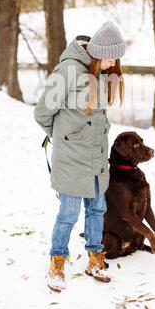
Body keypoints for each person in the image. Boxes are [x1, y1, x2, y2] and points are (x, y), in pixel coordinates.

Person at [34, 21, 126, 291]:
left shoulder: (101, 72)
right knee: (69, 213)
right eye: (109, 56)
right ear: (97, 51)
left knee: (98, 209)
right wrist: (64, 137)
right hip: (72, 158)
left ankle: (94, 259)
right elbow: (42, 112)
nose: (113, 62)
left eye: (116, 57)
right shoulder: (68, 72)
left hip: (96, 158)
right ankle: (57, 261)